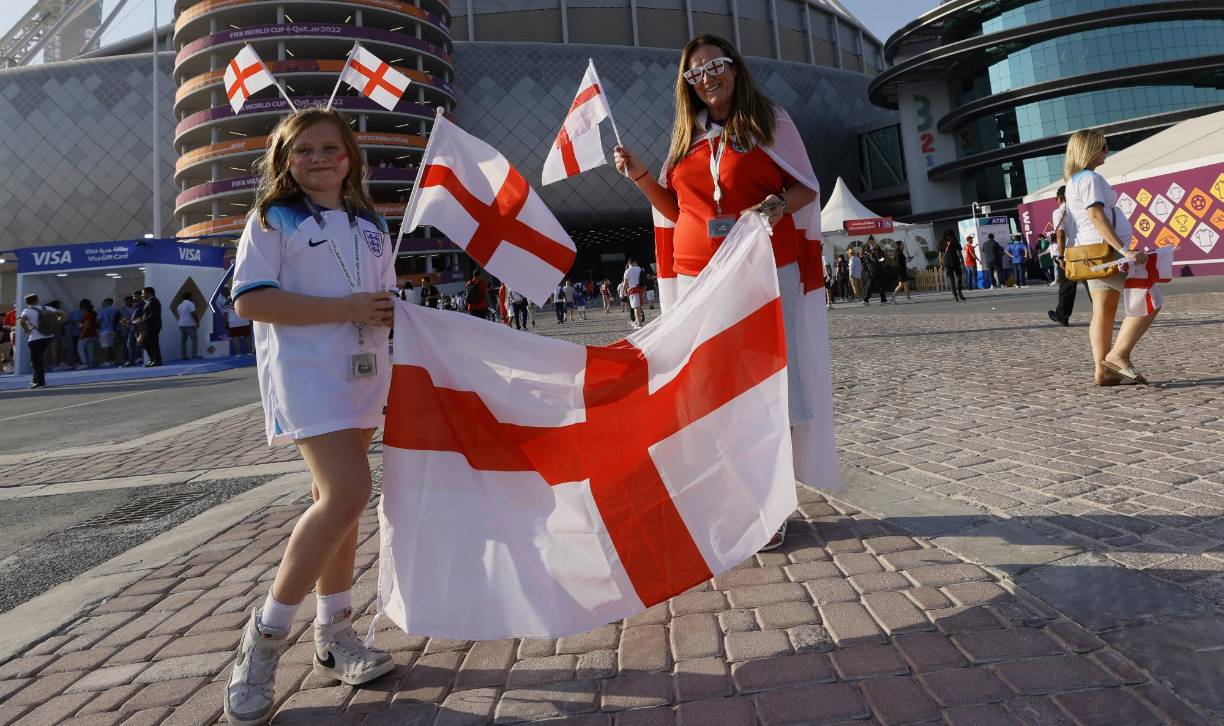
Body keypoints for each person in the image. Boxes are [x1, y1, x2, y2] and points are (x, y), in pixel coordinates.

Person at [614, 34, 829, 550]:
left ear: (735, 68)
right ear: (686, 85)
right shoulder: (686, 136)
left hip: (759, 272)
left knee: (763, 384)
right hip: (698, 280)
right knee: (712, 388)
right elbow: (674, 209)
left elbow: (807, 185)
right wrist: (640, 174)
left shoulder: (769, 123)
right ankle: (730, 497)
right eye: (695, 73)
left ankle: (772, 504)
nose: (706, 78)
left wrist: (774, 206)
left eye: (715, 66)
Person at [221, 107, 397, 725]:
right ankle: (263, 642)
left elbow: (381, 296)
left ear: (351, 156)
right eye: (304, 150)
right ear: (284, 160)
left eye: (331, 147)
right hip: (307, 376)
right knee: (350, 491)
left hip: (364, 374)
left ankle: (335, 632)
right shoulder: (273, 219)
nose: (319, 158)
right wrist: (344, 305)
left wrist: (386, 313)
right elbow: (250, 300)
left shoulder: (372, 223)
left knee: (341, 503)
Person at [1063, 129, 1157, 386]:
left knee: (1103, 310)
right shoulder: (1090, 178)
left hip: (1092, 253)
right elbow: (1096, 216)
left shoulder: (1073, 181)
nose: (1107, 151)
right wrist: (1125, 250)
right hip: (1106, 252)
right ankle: (1118, 356)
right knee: (1149, 299)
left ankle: (1102, 370)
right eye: (1103, 146)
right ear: (1090, 149)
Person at [1047, 185, 1090, 328]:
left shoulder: (1060, 211)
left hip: (1069, 253)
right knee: (1091, 285)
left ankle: (1062, 315)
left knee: (1066, 286)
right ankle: (1103, 314)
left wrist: (1060, 256)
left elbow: (1060, 234)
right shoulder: (1082, 208)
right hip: (1084, 250)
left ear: (1059, 198)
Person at [18, 293, 63, 389]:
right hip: (48, 337)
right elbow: (62, 314)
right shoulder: (47, 308)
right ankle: (35, 381)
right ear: (37, 300)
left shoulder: (27, 310)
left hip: (35, 338)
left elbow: (21, 321)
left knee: (36, 361)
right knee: (38, 360)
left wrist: (27, 330)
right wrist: (57, 324)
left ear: (27, 302)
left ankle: (40, 382)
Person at [139, 286, 163, 367]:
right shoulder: (149, 302)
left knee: (153, 343)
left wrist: (143, 320)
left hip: (153, 326)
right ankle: (152, 359)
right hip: (148, 326)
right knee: (146, 342)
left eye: (143, 293)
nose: (142, 295)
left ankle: (156, 360)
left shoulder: (154, 301)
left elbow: (154, 314)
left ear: (148, 293)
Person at [940, 231, 965, 302]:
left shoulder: (942, 243)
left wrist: (941, 264)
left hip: (947, 262)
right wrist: (962, 261)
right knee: (959, 277)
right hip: (955, 261)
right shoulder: (955, 241)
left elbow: (940, 255)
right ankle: (959, 293)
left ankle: (955, 295)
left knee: (951, 279)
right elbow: (959, 252)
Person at [623, 259, 647, 329]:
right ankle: (637, 321)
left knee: (635, 307)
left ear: (629, 263)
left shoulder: (627, 271)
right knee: (638, 306)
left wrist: (623, 291)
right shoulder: (641, 269)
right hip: (640, 289)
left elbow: (625, 283)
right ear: (635, 262)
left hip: (633, 290)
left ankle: (639, 323)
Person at [177, 292, 199, 361]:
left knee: (183, 341)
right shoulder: (190, 304)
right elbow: (193, 314)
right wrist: (197, 322)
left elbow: (179, 315)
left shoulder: (179, 305)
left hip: (181, 324)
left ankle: (184, 355)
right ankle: (194, 355)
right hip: (189, 324)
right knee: (194, 339)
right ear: (189, 297)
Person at [97, 297, 120, 367]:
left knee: (104, 347)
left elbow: (98, 320)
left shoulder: (102, 310)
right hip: (113, 330)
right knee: (111, 347)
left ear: (106, 302)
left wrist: (97, 329)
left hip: (104, 330)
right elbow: (119, 320)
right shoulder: (116, 310)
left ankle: (106, 361)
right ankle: (112, 361)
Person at [76, 299, 98, 369]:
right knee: (90, 349)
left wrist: (82, 333)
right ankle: (90, 363)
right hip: (93, 334)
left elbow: (86, 325)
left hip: (86, 334)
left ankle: (84, 363)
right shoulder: (93, 314)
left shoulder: (87, 315)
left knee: (80, 349)